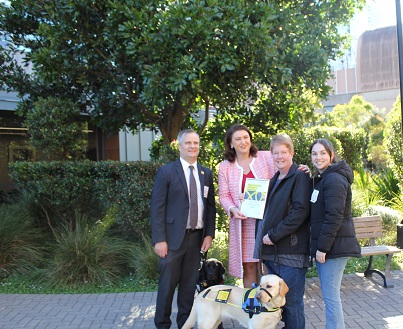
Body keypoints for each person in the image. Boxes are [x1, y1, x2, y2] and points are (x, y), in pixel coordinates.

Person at [151, 129, 216, 329]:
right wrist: (159, 239)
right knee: (167, 287)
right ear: (179, 146)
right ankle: (162, 324)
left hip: (196, 239)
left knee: (188, 288)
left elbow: (211, 207)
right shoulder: (167, 171)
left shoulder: (206, 173)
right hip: (171, 241)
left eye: (195, 143)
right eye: (188, 143)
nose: (192, 146)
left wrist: (209, 234)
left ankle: (184, 324)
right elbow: (157, 207)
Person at [256, 133, 310, 329]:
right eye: (275, 153)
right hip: (273, 252)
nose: (279, 156)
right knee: (279, 304)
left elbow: (299, 213)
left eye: (284, 152)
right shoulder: (275, 179)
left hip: (291, 253)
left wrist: (274, 235)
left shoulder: (299, 177)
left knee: (293, 305)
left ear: (292, 153)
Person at [309, 139, 361, 329]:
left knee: (331, 297)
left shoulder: (334, 179)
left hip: (333, 248)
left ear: (331, 155)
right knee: (330, 295)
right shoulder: (323, 178)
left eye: (322, 153)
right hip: (332, 246)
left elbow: (334, 216)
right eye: (314, 154)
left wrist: (322, 247)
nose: (318, 157)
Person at [218, 124, 276, 288]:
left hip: (267, 221)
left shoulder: (265, 158)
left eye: (246, 137)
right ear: (231, 143)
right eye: (238, 139)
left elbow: (283, 172)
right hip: (243, 224)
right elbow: (224, 195)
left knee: (267, 264)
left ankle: (270, 307)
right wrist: (233, 209)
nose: (243, 142)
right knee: (249, 265)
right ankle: (252, 306)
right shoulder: (225, 167)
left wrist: (301, 169)